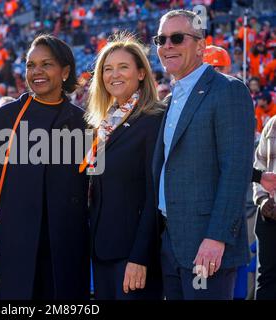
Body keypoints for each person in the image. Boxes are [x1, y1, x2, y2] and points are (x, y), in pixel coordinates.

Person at [0, 35, 90, 300]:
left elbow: (92, 186)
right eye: (30, 65)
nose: (36, 72)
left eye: (46, 64)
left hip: (68, 245)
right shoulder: (3, 119)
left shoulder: (85, 123)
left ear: (65, 71)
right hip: (16, 243)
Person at [152, 10, 255, 300]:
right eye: (161, 39)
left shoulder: (228, 90)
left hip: (207, 245)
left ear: (200, 46)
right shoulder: (171, 99)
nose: (167, 45)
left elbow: (235, 169)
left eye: (177, 38)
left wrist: (217, 237)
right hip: (170, 240)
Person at [82, 35, 164, 300]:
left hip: (133, 257)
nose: (113, 74)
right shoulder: (103, 124)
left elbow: (154, 196)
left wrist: (140, 257)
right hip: (102, 250)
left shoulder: (154, 120)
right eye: (107, 68)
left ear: (141, 73)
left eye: (123, 67)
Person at [253, 115, 276, 300]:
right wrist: (261, 200)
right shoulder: (272, 124)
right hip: (270, 215)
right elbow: (259, 165)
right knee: (266, 279)